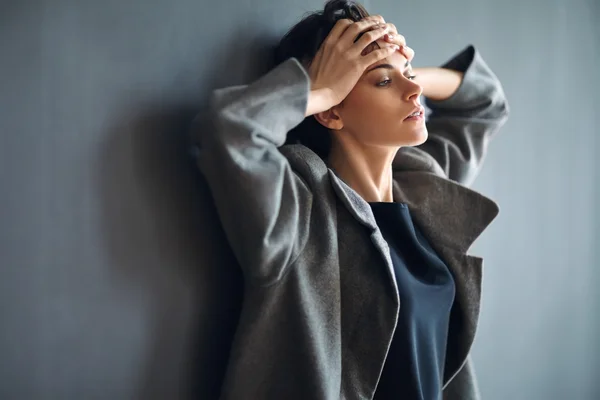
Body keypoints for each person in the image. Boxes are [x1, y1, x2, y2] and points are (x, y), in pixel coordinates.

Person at [189, 0, 509, 398]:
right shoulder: (300, 213)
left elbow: (484, 103)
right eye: (383, 83)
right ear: (330, 112)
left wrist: (390, 58)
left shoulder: (424, 190)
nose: (415, 92)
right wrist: (319, 88)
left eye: (410, 76)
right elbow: (229, 130)